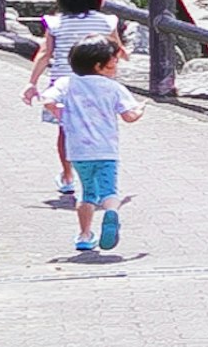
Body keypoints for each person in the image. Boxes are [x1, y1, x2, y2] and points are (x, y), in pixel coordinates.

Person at [25, 0, 124, 206]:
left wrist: (31, 83)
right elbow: (116, 49)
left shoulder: (56, 22)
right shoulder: (107, 21)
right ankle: (100, 181)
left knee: (66, 131)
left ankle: (68, 176)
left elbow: (44, 53)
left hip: (64, 86)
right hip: (98, 85)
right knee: (100, 131)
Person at [49, 37, 141, 257]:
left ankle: (84, 235)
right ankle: (111, 212)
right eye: (112, 64)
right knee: (109, 191)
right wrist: (141, 110)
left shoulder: (66, 83)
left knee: (87, 193)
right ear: (99, 66)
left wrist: (62, 114)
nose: (115, 68)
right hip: (106, 150)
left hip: (78, 151)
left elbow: (49, 100)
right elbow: (129, 116)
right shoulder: (114, 87)